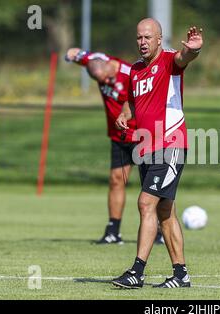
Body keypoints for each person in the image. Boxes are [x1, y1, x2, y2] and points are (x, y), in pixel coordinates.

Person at [112, 18, 203, 289]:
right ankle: (180, 274)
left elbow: (185, 57)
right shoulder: (135, 71)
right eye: (139, 37)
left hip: (170, 144)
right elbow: (132, 100)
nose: (142, 42)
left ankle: (137, 272)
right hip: (147, 147)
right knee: (165, 211)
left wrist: (194, 49)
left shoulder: (168, 61)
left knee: (145, 203)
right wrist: (124, 114)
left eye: (148, 37)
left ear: (159, 39)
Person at [65, 48, 164, 245]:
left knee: (151, 185)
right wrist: (72, 56)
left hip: (142, 134)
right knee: (116, 179)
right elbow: (72, 53)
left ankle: (159, 231)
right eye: (101, 82)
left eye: (108, 79)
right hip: (119, 135)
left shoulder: (130, 73)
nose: (106, 84)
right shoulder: (94, 62)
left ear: (111, 67)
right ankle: (113, 231)